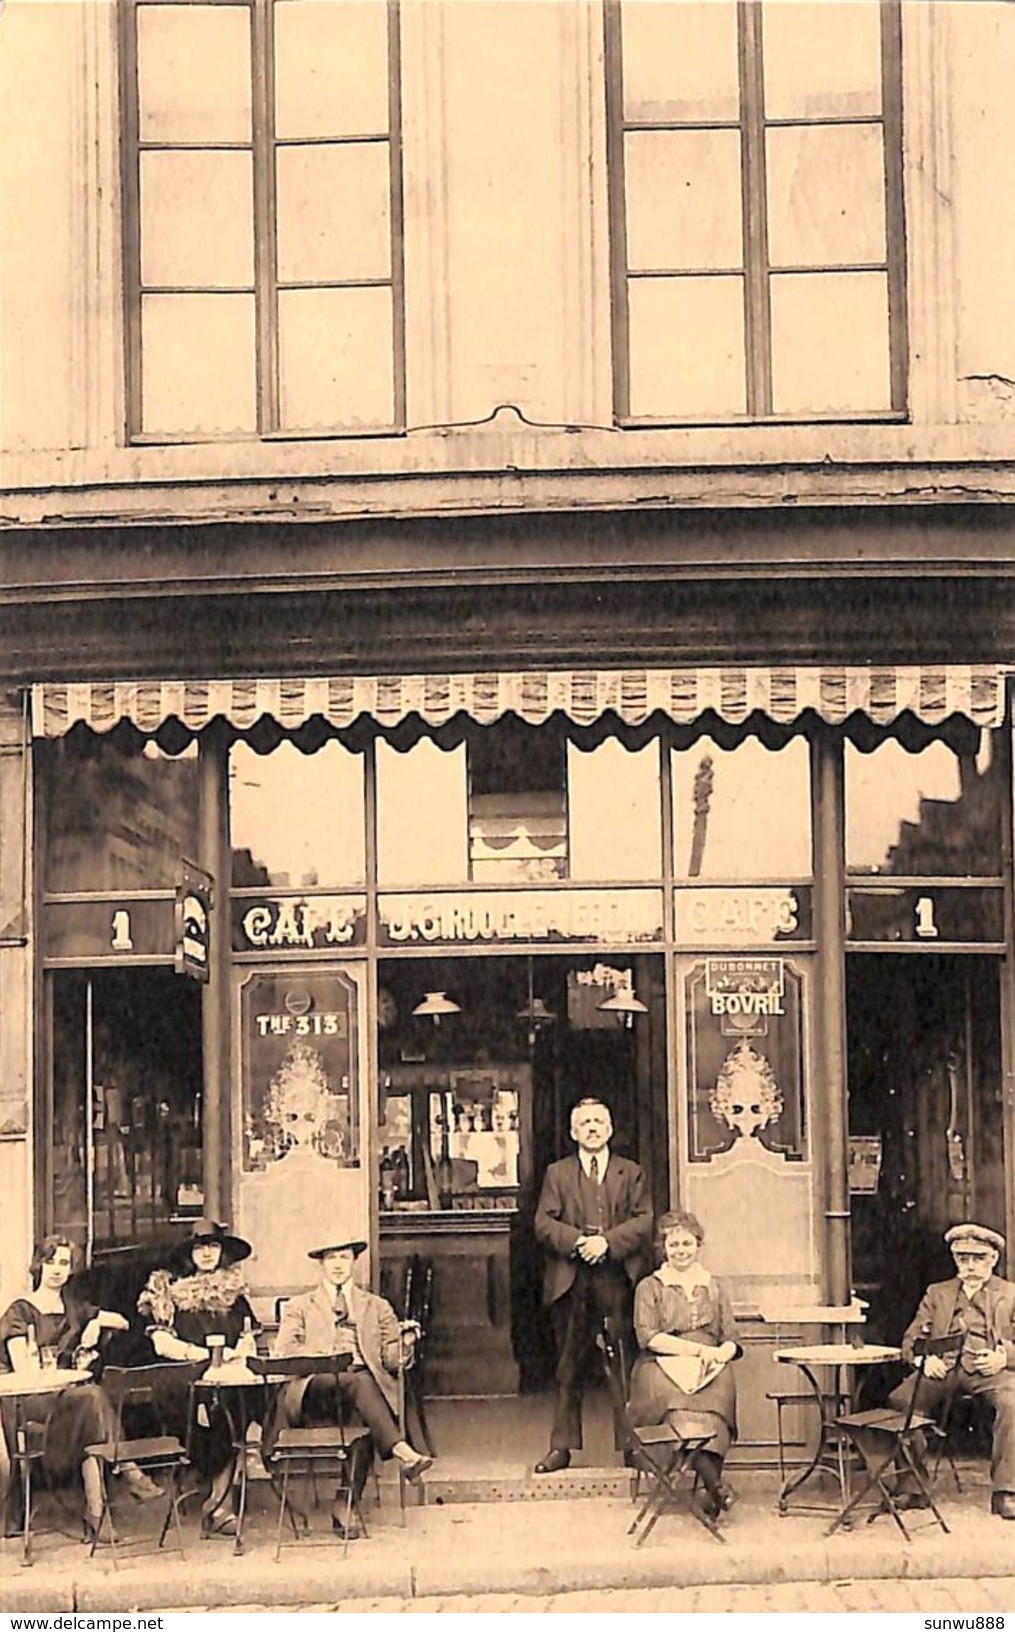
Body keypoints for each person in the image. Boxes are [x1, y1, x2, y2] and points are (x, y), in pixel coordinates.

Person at [269, 1229, 431, 1540]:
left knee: (365, 1411)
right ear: (321, 1264)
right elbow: (284, 1351)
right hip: (314, 1389)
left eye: (344, 1257)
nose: (338, 1265)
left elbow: (390, 1359)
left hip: (358, 1390)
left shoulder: (376, 1306)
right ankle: (401, 1451)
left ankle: (344, 1503)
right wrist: (324, 1357)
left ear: (355, 1261)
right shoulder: (300, 1306)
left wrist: (405, 1344)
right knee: (363, 1387)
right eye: (331, 1258)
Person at [0, 1234, 161, 1541]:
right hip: (30, 1405)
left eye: (64, 1263)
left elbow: (123, 1322)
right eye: (50, 1262)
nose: (57, 1270)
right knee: (92, 1399)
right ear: (39, 1265)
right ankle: (129, 1471)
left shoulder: (74, 1308)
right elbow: (26, 1372)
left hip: (68, 1404)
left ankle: (98, 1515)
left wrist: (96, 1323)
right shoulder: (21, 1311)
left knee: (91, 1412)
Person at [532, 1095, 652, 1474]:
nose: (593, 1128)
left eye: (599, 1121)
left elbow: (645, 1220)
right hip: (571, 1278)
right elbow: (543, 1223)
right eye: (585, 1123)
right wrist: (578, 1243)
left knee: (621, 1362)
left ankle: (632, 1446)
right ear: (573, 1132)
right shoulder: (558, 1173)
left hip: (614, 1277)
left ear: (611, 1128)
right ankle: (562, 1448)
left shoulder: (630, 1172)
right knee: (569, 1364)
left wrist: (608, 1243)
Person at [137, 1217, 260, 1538]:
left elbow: (248, 1338)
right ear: (189, 1254)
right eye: (199, 1248)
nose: (206, 1253)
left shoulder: (235, 1294)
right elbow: (161, 1343)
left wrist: (235, 1354)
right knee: (210, 1411)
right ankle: (220, 1501)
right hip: (185, 1379)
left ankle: (220, 1503)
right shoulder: (169, 1292)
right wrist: (200, 1356)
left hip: (229, 1376)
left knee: (242, 1402)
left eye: (213, 1246)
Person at [886, 1221, 1015, 1520]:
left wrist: (1004, 1357)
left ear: (993, 1259)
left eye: (978, 1258)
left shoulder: (1010, 1294)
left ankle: (1006, 1492)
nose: (970, 1266)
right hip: (943, 1368)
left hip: (990, 1371)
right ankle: (912, 1486)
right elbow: (911, 1340)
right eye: (962, 1259)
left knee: (1013, 1405)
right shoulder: (937, 1293)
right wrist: (922, 1360)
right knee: (902, 1401)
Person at [628, 1209, 742, 1519]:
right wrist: (692, 1351)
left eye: (687, 1244)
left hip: (708, 1363)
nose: (681, 1251)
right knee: (678, 1407)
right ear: (663, 1248)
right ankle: (715, 1486)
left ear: (698, 1245)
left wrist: (722, 1353)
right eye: (674, 1245)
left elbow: (731, 1336)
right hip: (662, 1361)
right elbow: (648, 1337)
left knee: (717, 1401)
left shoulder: (714, 1285)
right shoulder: (650, 1287)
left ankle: (710, 1489)